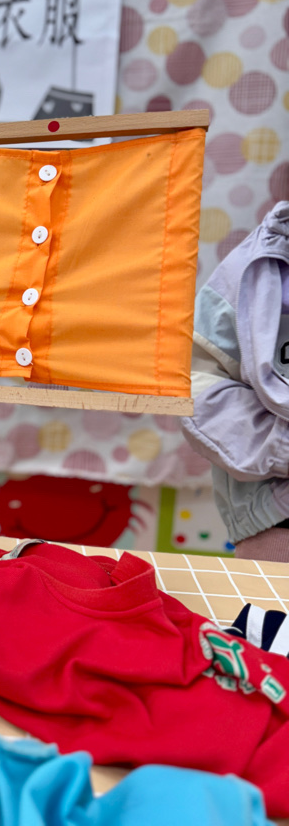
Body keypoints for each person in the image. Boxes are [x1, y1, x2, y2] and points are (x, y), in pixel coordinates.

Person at [180, 201, 289, 561]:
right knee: (266, 599)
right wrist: (279, 446)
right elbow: (194, 379)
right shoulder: (257, 265)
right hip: (275, 516)